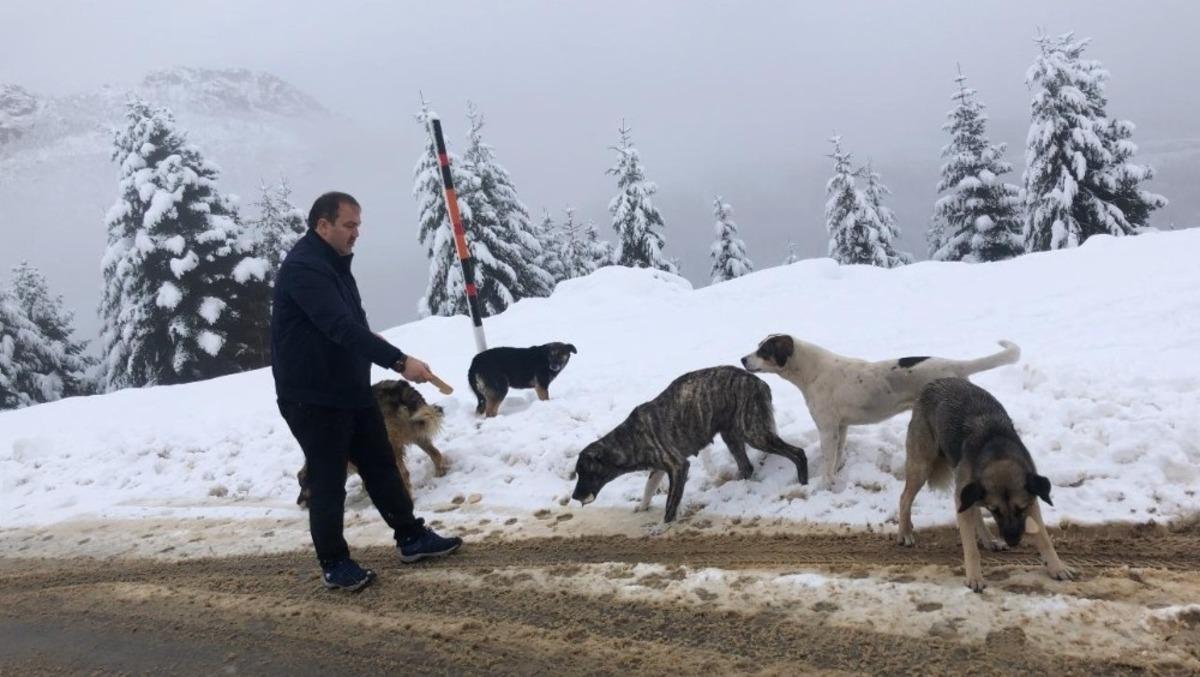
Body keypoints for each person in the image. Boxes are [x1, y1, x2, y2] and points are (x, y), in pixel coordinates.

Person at [271, 191, 462, 592]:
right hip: (313, 398)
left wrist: (373, 342)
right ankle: (335, 563)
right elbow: (338, 327)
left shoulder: (334, 263)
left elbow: (348, 324)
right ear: (323, 225)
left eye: (358, 225)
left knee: (381, 466)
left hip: (350, 390)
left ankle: (411, 537)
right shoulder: (305, 268)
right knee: (328, 481)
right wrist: (399, 361)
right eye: (349, 225)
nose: (356, 233)